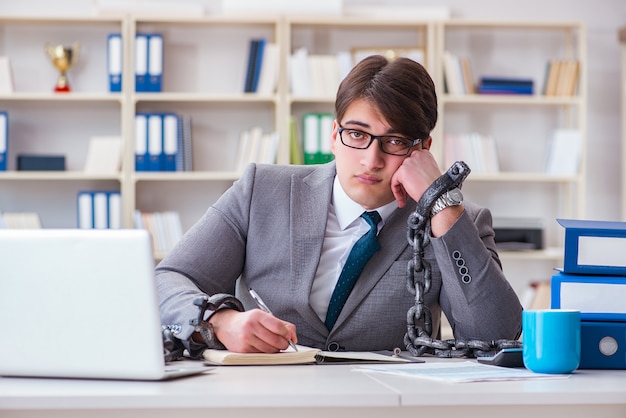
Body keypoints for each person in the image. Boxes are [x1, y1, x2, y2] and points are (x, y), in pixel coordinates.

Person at [156, 55, 522, 356]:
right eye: (357, 135)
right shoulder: (261, 191)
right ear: (334, 135)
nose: (371, 160)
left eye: (393, 141)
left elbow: (496, 334)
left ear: (423, 149)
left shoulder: (459, 221)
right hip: (263, 397)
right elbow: (167, 281)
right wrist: (220, 321)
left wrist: (439, 199)